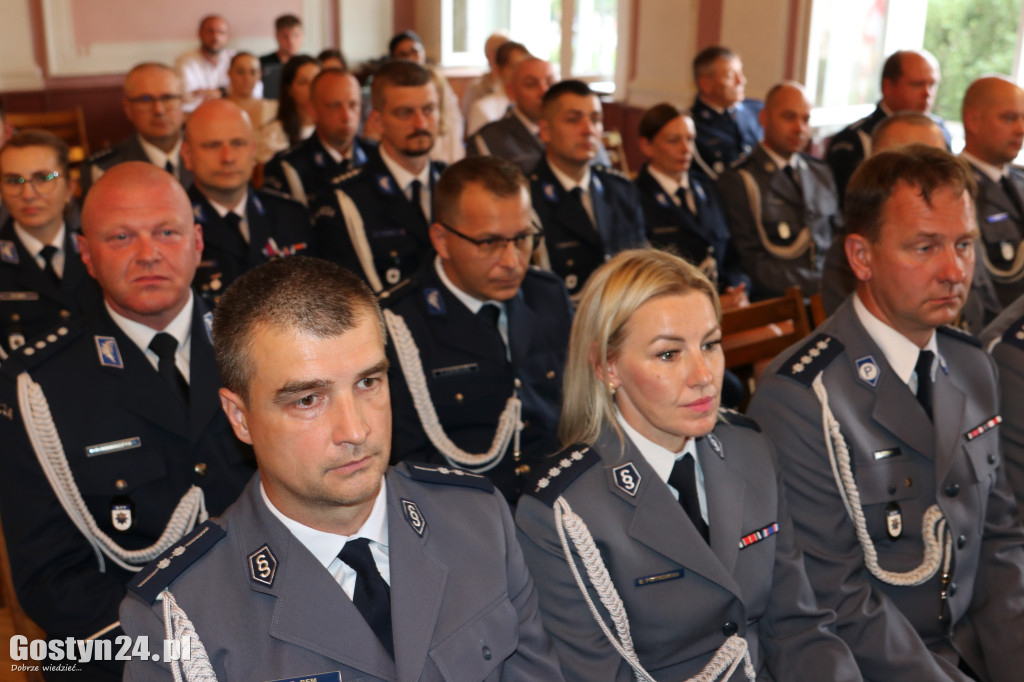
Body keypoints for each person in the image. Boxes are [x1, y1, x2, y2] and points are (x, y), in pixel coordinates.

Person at [117, 256, 565, 681]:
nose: (355, 430)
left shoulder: (477, 521)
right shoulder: (178, 616)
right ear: (240, 417)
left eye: (368, 382)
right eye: (308, 400)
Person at [515, 248, 861, 681]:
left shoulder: (749, 450)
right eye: (668, 354)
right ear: (607, 366)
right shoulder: (563, 513)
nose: (703, 374)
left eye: (710, 345)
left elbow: (799, 626)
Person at [748, 145, 1024, 680]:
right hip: (875, 663)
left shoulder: (970, 365)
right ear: (861, 256)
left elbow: (1001, 540)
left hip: (978, 645)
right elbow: (835, 600)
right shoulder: (803, 398)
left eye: (964, 244)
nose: (953, 271)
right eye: (924, 247)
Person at [0, 162, 255, 681]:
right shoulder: (37, 388)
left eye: (167, 232)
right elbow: (52, 579)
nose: (148, 254)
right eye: (121, 237)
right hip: (127, 651)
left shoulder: (262, 350)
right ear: (87, 254)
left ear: (197, 241)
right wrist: (183, 657)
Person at [381, 157, 572, 505]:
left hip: (557, 506)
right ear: (441, 240)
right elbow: (406, 463)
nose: (513, 261)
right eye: (489, 243)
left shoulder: (547, 296)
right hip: (460, 515)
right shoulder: (398, 325)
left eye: (523, 238)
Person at [312, 60, 447, 292]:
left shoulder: (455, 184)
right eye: (405, 113)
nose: (421, 123)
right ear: (377, 121)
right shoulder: (345, 199)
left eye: (429, 109)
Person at [181, 100, 311, 307]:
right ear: (187, 155)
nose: (228, 157)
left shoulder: (291, 216)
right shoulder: (175, 226)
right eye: (213, 145)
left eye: (238, 143)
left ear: (253, 151)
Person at [716, 81, 839, 300]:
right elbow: (752, 263)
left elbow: (837, 237)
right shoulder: (739, 180)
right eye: (789, 117)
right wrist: (820, 283)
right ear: (764, 118)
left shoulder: (820, 172)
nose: (799, 128)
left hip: (830, 297)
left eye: (805, 119)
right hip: (779, 303)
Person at [530, 80, 646, 297]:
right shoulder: (528, 197)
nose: (589, 130)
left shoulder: (621, 189)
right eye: (573, 120)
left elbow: (640, 264)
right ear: (545, 130)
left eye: (596, 119)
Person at [635, 103, 748, 308]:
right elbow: (645, 277)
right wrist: (712, 303)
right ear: (647, 146)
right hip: (674, 309)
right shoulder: (634, 196)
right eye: (673, 140)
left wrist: (737, 288)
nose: (686, 149)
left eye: (690, 139)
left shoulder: (708, 187)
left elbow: (733, 253)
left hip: (727, 304)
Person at [0, 130, 100, 359]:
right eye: (14, 181)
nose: (28, 194)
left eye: (43, 178)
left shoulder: (98, 252)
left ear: (69, 187)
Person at [826, 49, 950, 203]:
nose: (927, 93)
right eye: (917, 84)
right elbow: (850, 207)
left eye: (932, 84)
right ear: (888, 86)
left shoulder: (940, 131)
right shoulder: (855, 139)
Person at [961, 76, 1024, 309]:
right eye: (1009, 118)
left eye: (1023, 118)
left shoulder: (1019, 179)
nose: (1021, 129)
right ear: (973, 121)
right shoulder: (954, 187)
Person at [81, 63, 192, 194]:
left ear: (182, 102)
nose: (159, 110)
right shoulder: (105, 168)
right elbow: (53, 175)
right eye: (146, 99)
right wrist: (51, 176)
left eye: (167, 97)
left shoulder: (209, 153)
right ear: (128, 109)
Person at [263, 69, 369, 206]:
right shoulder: (287, 168)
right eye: (335, 106)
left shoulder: (377, 155)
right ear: (312, 109)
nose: (347, 116)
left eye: (353, 104)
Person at [467, 57, 557, 174]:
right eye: (531, 84)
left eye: (551, 83)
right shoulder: (489, 139)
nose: (544, 91)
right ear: (511, 91)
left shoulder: (569, 131)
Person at [388, 30, 465, 164]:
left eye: (415, 51)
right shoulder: (391, 87)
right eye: (403, 54)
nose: (411, 57)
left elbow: (454, 121)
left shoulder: (436, 79)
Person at [690, 46, 763, 178]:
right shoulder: (692, 125)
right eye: (731, 76)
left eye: (740, 73)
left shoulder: (758, 110)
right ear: (705, 84)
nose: (741, 81)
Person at [175, 15, 260, 113]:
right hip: (196, 115)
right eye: (210, 31)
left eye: (221, 32)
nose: (216, 37)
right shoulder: (185, 61)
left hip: (233, 113)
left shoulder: (236, 58)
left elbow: (255, 88)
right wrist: (230, 92)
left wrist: (221, 92)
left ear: (227, 36)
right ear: (200, 33)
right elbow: (186, 97)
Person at [260, 54, 321, 162]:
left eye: (316, 81)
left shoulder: (329, 127)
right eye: (303, 82)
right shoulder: (274, 133)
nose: (312, 88)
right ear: (289, 89)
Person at [465, 41, 530, 137]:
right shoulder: (483, 108)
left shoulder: (531, 104)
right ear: (499, 69)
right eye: (514, 67)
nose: (520, 73)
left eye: (524, 67)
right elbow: (478, 146)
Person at [225, 52, 279, 148]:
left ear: (259, 75)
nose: (247, 78)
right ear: (229, 73)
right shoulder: (217, 111)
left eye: (253, 72)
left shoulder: (274, 108)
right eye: (240, 72)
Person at [461, 31, 510, 123]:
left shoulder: (514, 86)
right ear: (488, 55)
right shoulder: (475, 88)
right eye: (501, 51)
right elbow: (469, 120)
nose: (506, 57)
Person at [260, 14, 304, 100]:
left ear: (302, 36)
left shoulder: (306, 65)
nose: (291, 41)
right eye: (285, 36)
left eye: (296, 35)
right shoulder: (262, 63)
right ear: (277, 36)